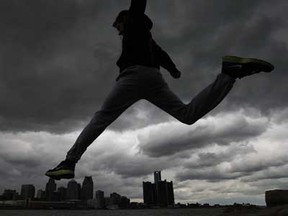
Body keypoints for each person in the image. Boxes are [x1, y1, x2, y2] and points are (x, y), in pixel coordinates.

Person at [45, 0, 274, 180]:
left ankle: (69, 162)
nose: (117, 30)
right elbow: (163, 55)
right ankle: (229, 73)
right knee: (187, 115)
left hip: (132, 77)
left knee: (102, 117)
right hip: (154, 79)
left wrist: (171, 67)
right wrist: (173, 70)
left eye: (118, 25)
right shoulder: (149, 39)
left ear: (127, 19)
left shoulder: (134, 21)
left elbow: (137, 5)